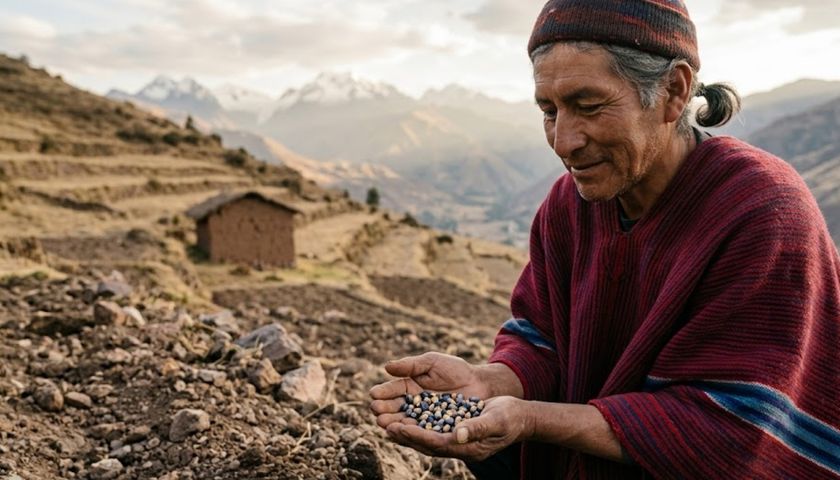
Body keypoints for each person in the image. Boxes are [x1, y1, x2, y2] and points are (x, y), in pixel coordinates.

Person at [370, 0, 840, 478]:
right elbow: (545, 340)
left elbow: (735, 424)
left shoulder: (760, 211)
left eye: (589, 106)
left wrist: (530, 417)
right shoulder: (568, 207)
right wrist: (488, 382)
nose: (564, 140)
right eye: (549, 111)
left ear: (673, 92)